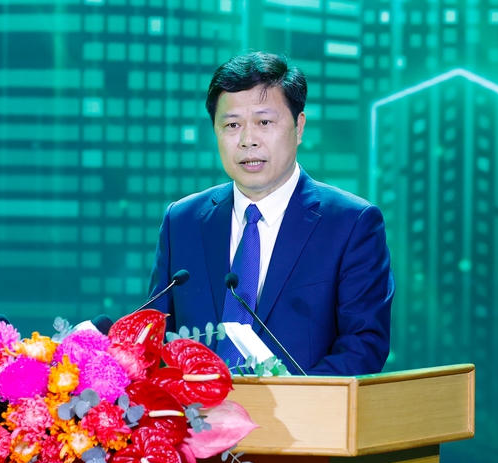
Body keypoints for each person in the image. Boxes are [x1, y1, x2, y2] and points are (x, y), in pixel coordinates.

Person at [147, 52, 394, 376]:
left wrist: (284, 399)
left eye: (264, 122)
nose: (248, 141)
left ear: (299, 127)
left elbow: (363, 347)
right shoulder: (182, 221)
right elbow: (155, 342)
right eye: (232, 125)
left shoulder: (351, 223)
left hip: (302, 408)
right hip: (197, 409)